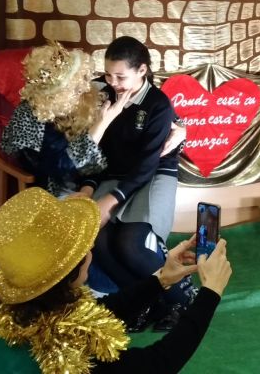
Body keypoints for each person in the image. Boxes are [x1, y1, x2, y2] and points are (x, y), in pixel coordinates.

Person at [0, 187, 231, 374]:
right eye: (83, 248)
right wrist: (210, 293)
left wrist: (160, 279)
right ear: (69, 274)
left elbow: (92, 316)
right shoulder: (66, 357)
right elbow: (158, 363)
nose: (90, 250)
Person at [77, 36, 186, 328]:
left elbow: (147, 165)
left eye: (121, 76)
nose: (113, 82)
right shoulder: (101, 94)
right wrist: (89, 188)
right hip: (114, 175)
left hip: (154, 173)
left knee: (131, 243)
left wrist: (110, 201)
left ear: (142, 70)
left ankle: (182, 299)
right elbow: (93, 152)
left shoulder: (158, 105)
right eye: (108, 74)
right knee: (99, 240)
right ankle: (145, 303)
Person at [0, 42, 126, 196]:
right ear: (57, 95)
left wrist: (88, 186)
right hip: (52, 189)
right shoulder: (31, 118)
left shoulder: (82, 96)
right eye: (76, 87)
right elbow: (61, 169)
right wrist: (100, 126)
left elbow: (94, 163)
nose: (86, 88)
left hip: (91, 182)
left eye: (83, 79)